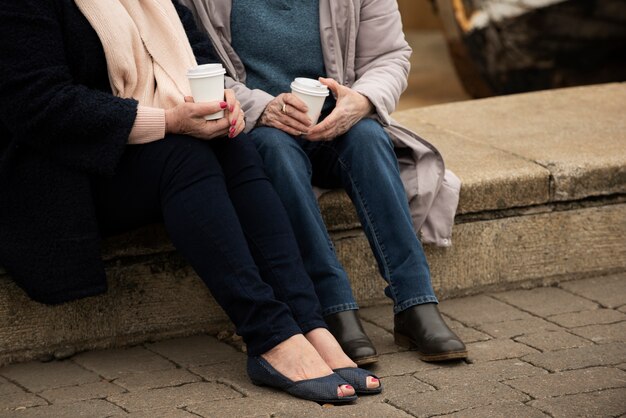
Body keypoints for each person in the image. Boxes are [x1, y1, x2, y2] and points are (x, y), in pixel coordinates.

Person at [0, 0, 382, 403]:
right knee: (185, 157)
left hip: (137, 151)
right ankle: (270, 336)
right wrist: (166, 121)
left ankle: (310, 324)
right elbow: (39, 104)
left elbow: (198, 58)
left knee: (235, 145)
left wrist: (222, 102)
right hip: (62, 172)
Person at [180, 0, 468, 364]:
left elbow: (390, 55)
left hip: (338, 123)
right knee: (275, 149)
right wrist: (261, 108)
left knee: (369, 137)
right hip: (262, 129)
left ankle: (416, 302)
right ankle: (335, 308)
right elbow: (191, 65)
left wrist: (362, 100)